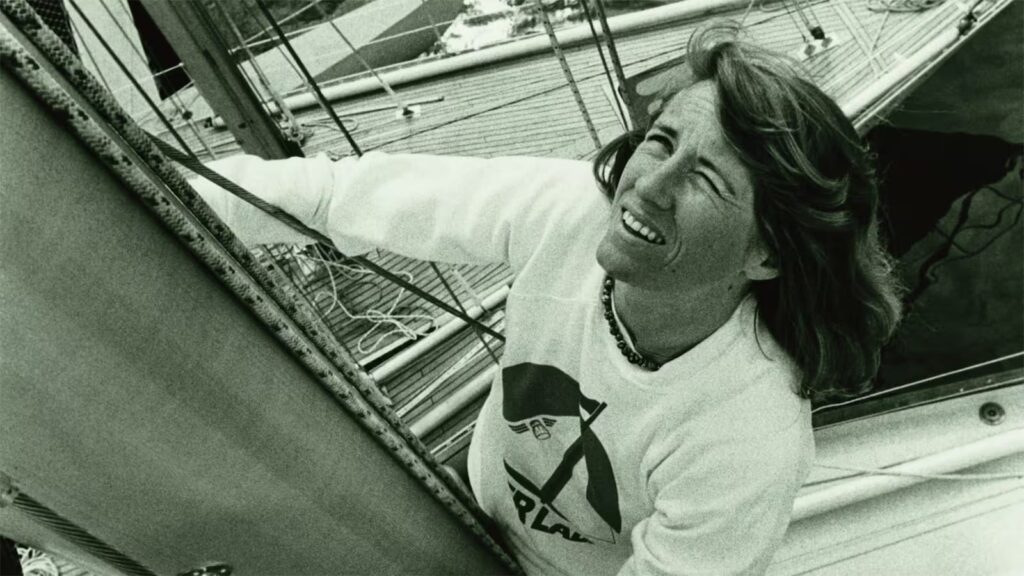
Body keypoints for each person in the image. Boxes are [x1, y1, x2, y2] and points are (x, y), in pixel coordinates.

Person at [190, 20, 901, 576]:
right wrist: (161, 188)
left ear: (767, 253)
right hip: (463, 502)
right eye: (661, 142)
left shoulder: (747, 437)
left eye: (707, 182)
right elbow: (338, 196)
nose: (650, 186)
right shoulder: (568, 210)